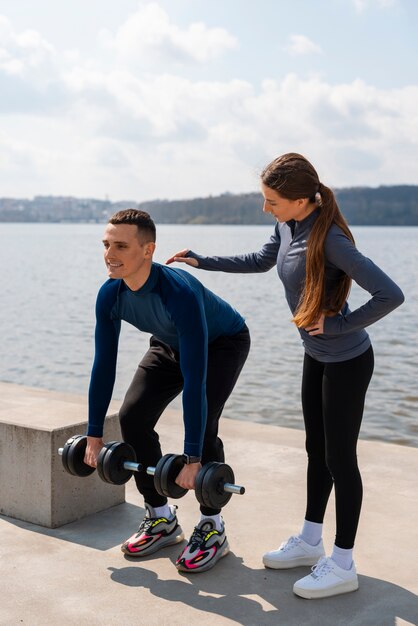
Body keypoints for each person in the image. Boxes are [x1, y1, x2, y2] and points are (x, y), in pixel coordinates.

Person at [166, 152, 404, 598]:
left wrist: (336, 324)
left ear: (299, 200)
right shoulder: (286, 225)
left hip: (348, 361)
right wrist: (203, 260)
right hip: (316, 355)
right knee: (316, 450)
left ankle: (343, 563)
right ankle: (310, 542)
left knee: (341, 461)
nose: (265, 208)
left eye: (272, 201)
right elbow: (260, 259)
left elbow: (391, 294)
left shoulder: (331, 239)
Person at [84, 208, 250, 574]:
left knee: (205, 423)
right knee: (132, 417)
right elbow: (103, 365)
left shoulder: (178, 292)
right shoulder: (110, 294)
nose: (110, 254)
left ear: (148, 250)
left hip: (221, 343)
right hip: (169, 343)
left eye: (121, 246)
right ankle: (160, 517)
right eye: (106, 244)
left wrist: (192, 459)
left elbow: (194, 380)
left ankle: (212, 527)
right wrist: (94, 435)